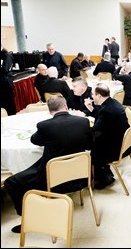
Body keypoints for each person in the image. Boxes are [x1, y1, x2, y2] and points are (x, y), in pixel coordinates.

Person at [4, 95, 92, 233]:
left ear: (50, 111)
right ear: (65, 106)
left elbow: (35, 140)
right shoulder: (83, 121)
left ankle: (29, 219)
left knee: (11, 183)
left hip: (53, 179)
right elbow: (89, 144)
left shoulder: (45, 125)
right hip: (81, 176)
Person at [84, 83, 130, 190]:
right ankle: (104, 173)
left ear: (99, 96)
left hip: (115, 147)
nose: (92, 97)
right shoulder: (112, 103)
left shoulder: (107, 110)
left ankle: (102, 178)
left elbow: (96, 129)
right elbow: (102, 119)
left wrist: (79, 125)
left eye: (93, 94)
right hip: (120, 139)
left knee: (90, 143)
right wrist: (91, 109)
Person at [0, 45, 16, 115]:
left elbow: (5, 69)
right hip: (2, 82)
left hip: (6, 82)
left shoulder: (7, 55)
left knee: (9, 102)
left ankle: (12, 116)